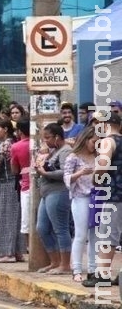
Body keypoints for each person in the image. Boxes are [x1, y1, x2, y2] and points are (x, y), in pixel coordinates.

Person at [82, 112, 122, 287]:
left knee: (108, 236)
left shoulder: (108, 141)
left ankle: (102, 275)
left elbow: (103, 165)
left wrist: (96, 179)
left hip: (114, 194)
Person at [34, 122, 72, 274]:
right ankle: (54, 261)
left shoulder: (66, 151)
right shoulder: (53, 151)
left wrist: (45, 173)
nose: (46, 141)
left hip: (58, 192)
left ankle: (65, 265)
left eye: (48, 138)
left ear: (57, 137)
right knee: (42, 228)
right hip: (47, 192)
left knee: (60, 228)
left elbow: (65, 172)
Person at [63, 126, 98, 283]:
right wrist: (80, 173)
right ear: (85, 140)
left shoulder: (99, 157)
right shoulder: (73, 157)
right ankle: (76, 269)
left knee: (95, 235)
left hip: (97, 197)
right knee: (81, 235)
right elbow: (67, 179)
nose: (95, 145)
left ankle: (93, 268)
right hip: (81, 197)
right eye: (93, 142)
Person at [0, 118, 25, 263]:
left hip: (6, 183)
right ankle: (17, 251)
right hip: (16, 183)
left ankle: (7, 253)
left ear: (6, 129)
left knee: (5, 219)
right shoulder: (14, 142)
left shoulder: (5, 145)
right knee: (16, 218)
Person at [11, 118, 31, 251]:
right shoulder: (41, 144)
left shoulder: (16, 147)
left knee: (27, 220)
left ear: (19, 131)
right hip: (43, 183)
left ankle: (29, 247)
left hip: (26, 184)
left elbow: (14, 170)